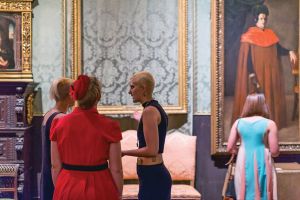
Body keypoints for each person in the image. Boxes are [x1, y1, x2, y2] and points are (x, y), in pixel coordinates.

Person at [50, 75, 123, 200]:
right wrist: (119, 194)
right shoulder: (110, 126)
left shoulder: (59, 124)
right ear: (97, 96)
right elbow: (116, 169)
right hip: (101, 187)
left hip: (67, 185)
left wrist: (62, 188)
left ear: (75, 95)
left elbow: (55, 165)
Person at [232, 4, 296, 129]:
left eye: (265, 19)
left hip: (270, 73)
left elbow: (278, 48)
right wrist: (251, 74)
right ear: (255, 19)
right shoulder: (248, 36)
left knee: (268, 98)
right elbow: (248, 59)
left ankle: (269, 124)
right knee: (257, 101)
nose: (263, 21)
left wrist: (290, 51)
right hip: (256, 73)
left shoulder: (270, 33)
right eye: (261, 19)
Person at [122, 71, 172, 200]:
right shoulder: (151, 108)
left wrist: (124, 152)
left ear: (143, 88)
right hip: (152, 174)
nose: (129, 91)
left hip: (153, 176)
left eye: (132, 87)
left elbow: (151, 150)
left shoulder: (149, 111)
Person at [227, 93, 279, 200]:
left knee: (243, 190)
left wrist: (237, 150)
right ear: (263, 104)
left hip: (243, 158)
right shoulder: (270, 123)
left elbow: (229, 147)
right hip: (262, 158)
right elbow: (274, 151)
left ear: (247, 105)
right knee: (263, 190)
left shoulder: (238, 122)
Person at [40, 77, 74, 200]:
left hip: (47, 170)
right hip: (56, 173)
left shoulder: (49, 113)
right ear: (70, 95)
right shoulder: (60, 118)